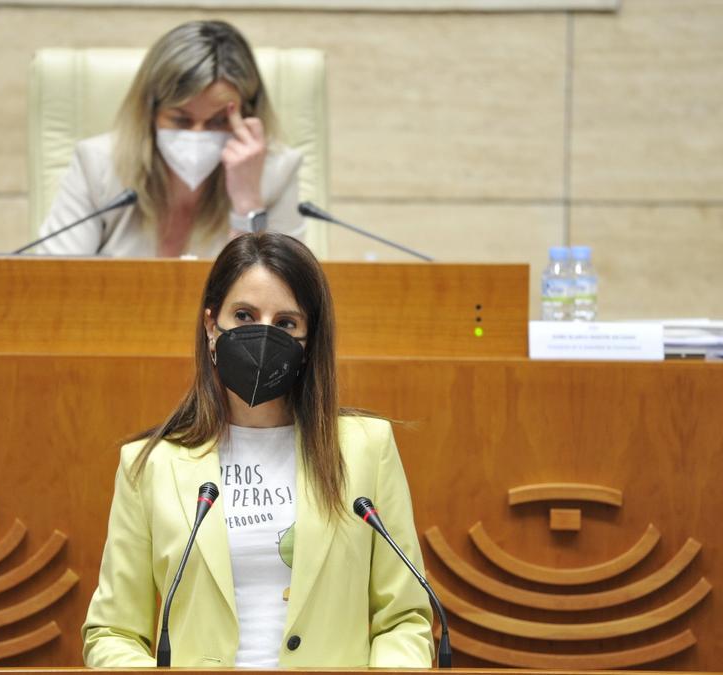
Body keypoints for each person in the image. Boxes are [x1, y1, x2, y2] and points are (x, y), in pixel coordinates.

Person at [82, 232, 434, 668]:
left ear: (308, 341)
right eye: (245, 315)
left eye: (286, 323)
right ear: (212, 325)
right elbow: (112, 632)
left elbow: (404, 620)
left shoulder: (366, 449)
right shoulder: (150, 464)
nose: (264, 335)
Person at [38, 21, 304, 257]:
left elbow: (285, 298)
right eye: (180, 120)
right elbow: (53, 281)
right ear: (150, 111)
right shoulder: (97, 164)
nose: (198, 135)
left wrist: (247, 205)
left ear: (247, 114)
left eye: (218, 121)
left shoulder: (276, 171)